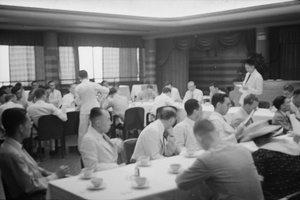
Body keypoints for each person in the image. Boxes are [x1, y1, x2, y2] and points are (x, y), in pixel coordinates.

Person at [175, 119, 264, 200]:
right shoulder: (243, 150)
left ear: (199, 139)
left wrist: (183, 171)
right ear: (217, 133)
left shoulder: (207, 158)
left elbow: (181, 182)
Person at [0, 108, 70, 200]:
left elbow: (31, 167)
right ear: (21, 128)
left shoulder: (12, 145)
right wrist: (55, 175)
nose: (31, 125)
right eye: (30, 122)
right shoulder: (12, 153)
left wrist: (49, 173)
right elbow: (30, 186)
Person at [241, 120, 300, 199]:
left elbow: (256, 186)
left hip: (277, 196)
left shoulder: (261, 155)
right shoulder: (292, 146)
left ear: (259, 140)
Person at [27, 88, 67, 154]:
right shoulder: (50, 106)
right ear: (44, 96)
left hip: (39, 131)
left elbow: (28, 120)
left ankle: (35, 150)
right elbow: (64, 118)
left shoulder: (30, 108)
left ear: (35, 96)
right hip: (53, 131)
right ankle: (53, 149)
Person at [75, 70, 109, 148]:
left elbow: (77, 101)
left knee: (82, 130)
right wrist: (101, 99)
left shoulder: (78, 87)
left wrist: (82, 102)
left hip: (84, 109)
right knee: (96, 128)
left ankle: (81, 148)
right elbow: (107, 90)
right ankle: (99, 146)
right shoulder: (93, 84)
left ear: (79, 77)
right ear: (87, 76)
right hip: (95, 107)